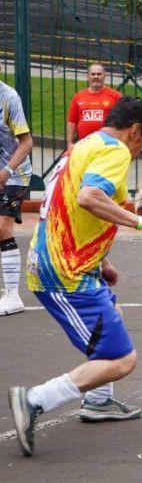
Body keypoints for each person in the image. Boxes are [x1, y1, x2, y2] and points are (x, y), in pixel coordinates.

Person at [9, 97, 142, 457]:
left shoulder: (84, 145)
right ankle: (34, 399)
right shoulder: (115, 151)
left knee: (111, 316)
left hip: (64, 261)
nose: (140, 147)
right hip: (65, 271)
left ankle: (98, 401)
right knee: (121, 360)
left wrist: (102, 261)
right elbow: (88, 197)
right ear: (134, 131)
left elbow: (67, 204)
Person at [0, 81, 34, 317]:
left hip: (15, 174)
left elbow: (27, 142)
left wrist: (7, 170)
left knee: (2, 229)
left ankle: (13, 295)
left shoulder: (9, 97)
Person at [66, 63, 121, 153]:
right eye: (93, 74)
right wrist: (70, 143)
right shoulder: (78, 97)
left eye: (99, 74)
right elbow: (72, 122)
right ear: (88, 76)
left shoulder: (115, 96)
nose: (96, 76)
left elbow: (123, 120)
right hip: (84, 145)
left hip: (107, 146)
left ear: (104, 76)